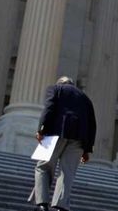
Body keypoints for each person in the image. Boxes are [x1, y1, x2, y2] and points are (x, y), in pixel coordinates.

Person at [32, 76, 96, 211]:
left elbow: (49, 108)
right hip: (79, 139)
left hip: (56, 133)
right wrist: (87, 150)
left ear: (60, 83)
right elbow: (92, 124)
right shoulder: (85, 98)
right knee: (67, 172)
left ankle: (42, 204)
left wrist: (41, 129)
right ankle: (61, 207)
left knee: (43, 167)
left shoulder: (55, 89)